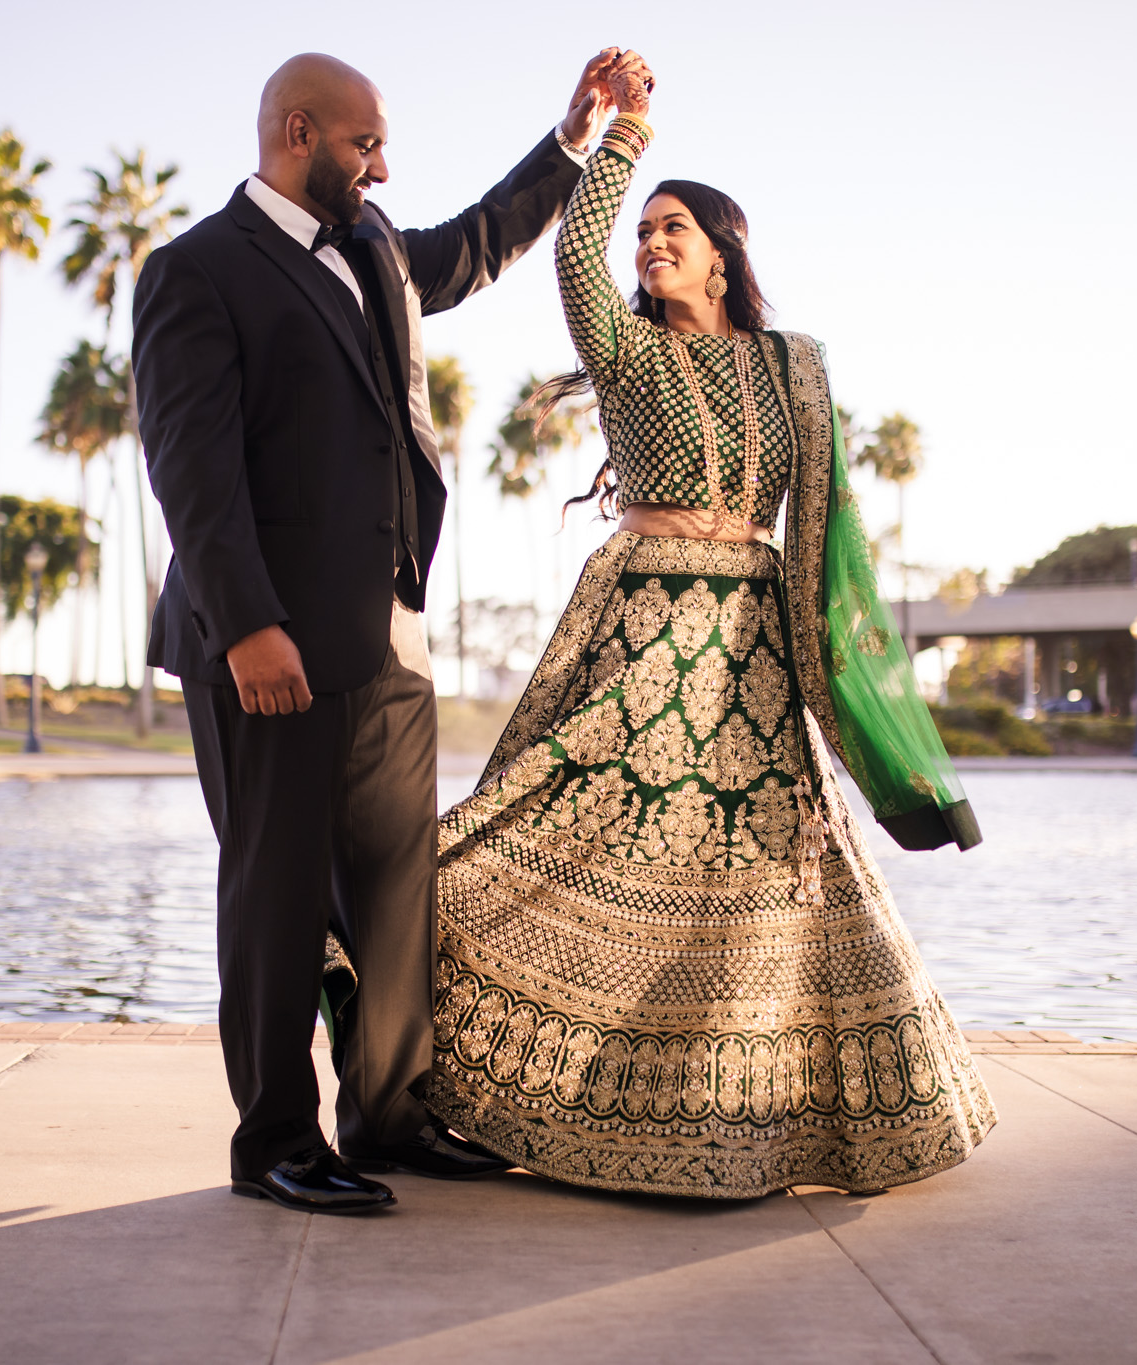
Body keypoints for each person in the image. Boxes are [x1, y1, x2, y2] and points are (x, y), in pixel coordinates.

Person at [425, 57, 998, 1198]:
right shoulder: (627, 352)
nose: (650, 243)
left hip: (751, 647)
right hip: (639, 639)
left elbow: (828, 538)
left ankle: (744, 1128)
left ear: (726, 250)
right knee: (555, 833)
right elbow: (577, 256)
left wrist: (846, 702)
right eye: (645, 229)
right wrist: (622, 135)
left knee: (756, 881)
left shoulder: (796, 368)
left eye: (673, 227)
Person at [133, 50, 623, 1214]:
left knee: (397, 893)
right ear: (297, 132)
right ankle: (273, 1144)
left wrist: (571, 144)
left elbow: (482, 238)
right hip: (271, 647)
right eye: (364, 145)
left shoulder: (374, 250)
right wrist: (247, 625)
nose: (382, 165)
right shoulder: (198, 272)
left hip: (387, 635)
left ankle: (390, 1119)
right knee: (276, 898)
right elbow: (190, 469)